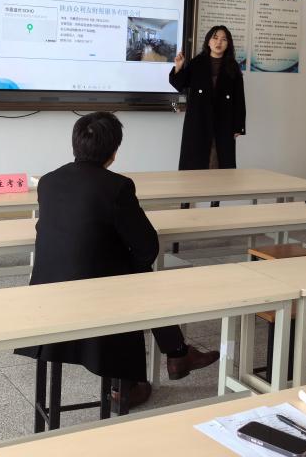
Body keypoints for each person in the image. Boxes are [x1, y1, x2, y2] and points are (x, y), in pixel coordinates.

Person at [16, 112, 218, 408]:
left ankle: (175, 354)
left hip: (47, 286)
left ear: (75, 144)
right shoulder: (117, 186)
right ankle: (137, 377)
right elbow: (147, 246)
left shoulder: (48, 182)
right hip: (94, 293)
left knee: (129, 271)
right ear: (114, 152)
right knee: (138, 274)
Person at [169, 25, 246, 175]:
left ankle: (217, 191)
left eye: (224, 39)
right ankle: (191, 191)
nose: (219, 42)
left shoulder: (233, 67)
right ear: (208, 41)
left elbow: (239, 98)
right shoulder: (197, 63)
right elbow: (179, 84)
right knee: (194, 163)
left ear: (228, 44)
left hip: (223, 122)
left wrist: (238, 126)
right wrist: (178, 67)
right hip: (198, 120)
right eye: (215, 38)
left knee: (219, 163)